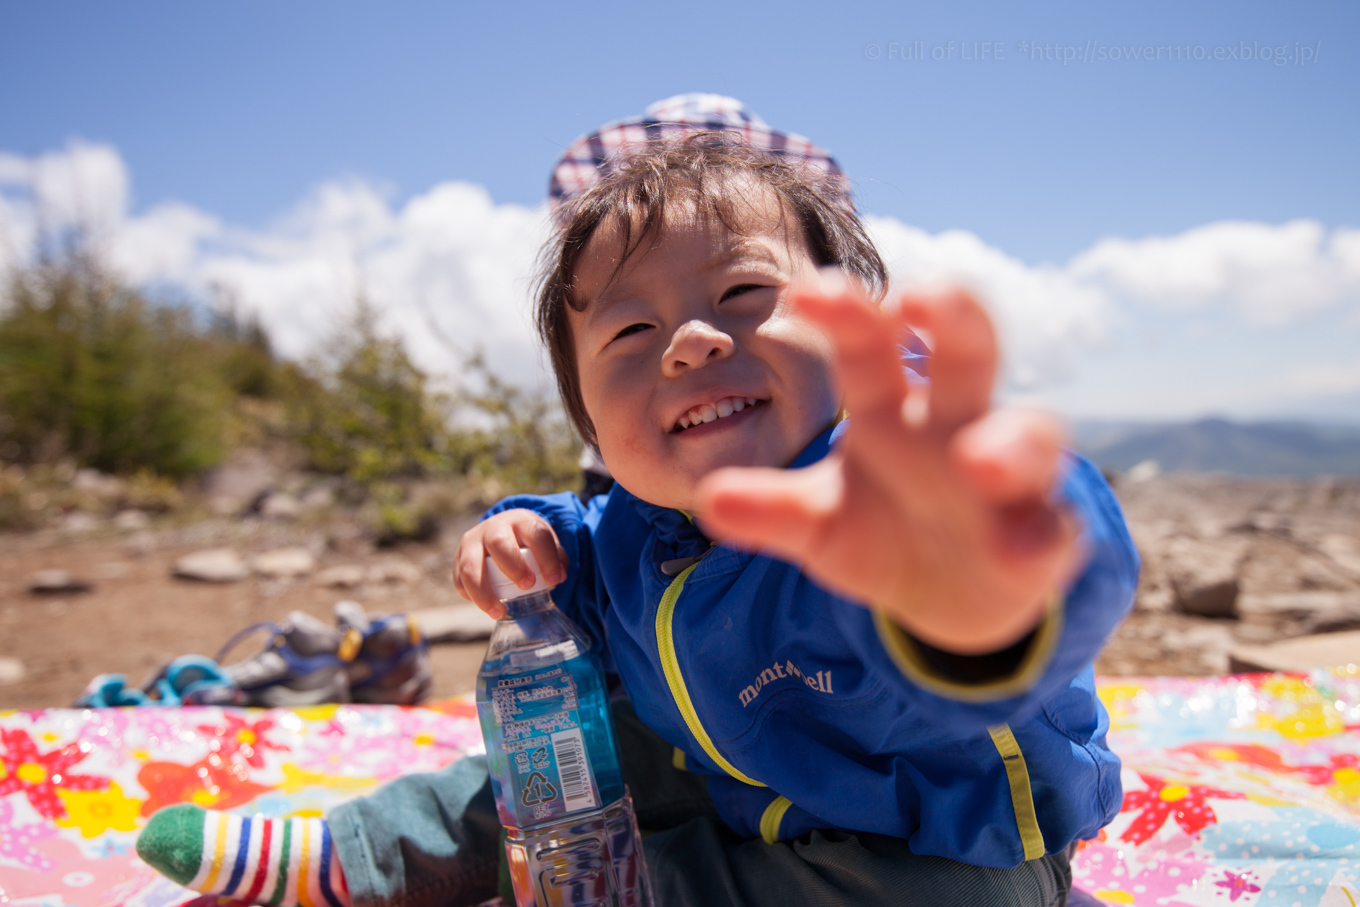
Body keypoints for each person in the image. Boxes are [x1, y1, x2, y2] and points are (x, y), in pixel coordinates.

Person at [137, 96, 1137, 907]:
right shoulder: (631, 526)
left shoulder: (885, 494)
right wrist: (523, 541)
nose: (691, 340)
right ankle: (365, 854)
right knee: (569, 739)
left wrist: (977, 583)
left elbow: (1042, 543)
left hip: (943, 853)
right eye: (628, 332)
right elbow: (590, 548)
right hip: (743, 787)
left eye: (744, 295)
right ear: (591, 422)